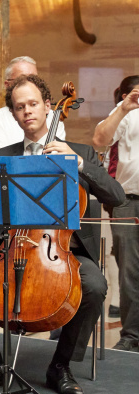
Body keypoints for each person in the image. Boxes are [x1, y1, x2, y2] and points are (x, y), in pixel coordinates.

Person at [0, 75, 125, 394]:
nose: (27, 111)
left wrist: (78, 166)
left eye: (33, 104)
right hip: (13, 245)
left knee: (94, 285)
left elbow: (116, 196)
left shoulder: (81, 152)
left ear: (49, 107)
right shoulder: (6, 155)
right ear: (14, 114)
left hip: (66, 251)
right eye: (20, 107)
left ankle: (61, 365)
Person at [93, 75, 139, 352]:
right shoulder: (126, 111)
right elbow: (99, 140)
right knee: (130, 272)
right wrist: (124, 107)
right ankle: (132, 336)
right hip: (128, 201)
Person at [0, 56, 66, 156]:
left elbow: (58, 157)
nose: (29, 84)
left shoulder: (54, 117)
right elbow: (1, 162)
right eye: (22, 79)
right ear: (7, 85)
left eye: (34, 79)